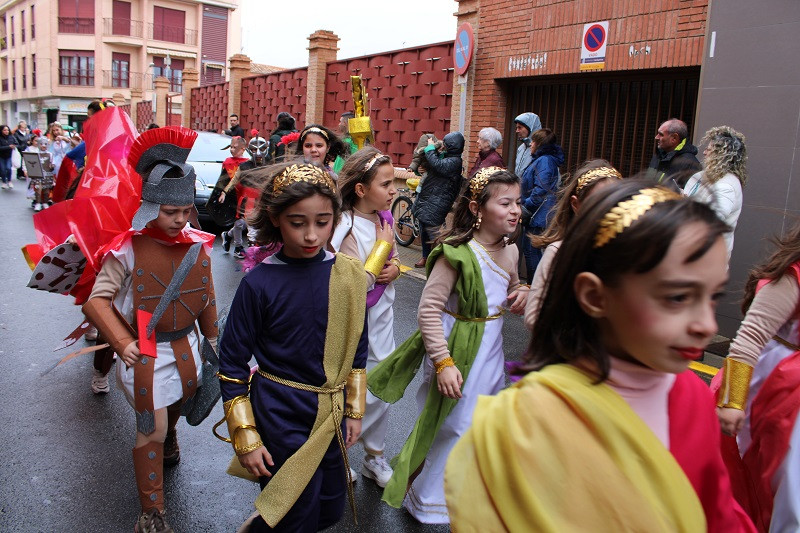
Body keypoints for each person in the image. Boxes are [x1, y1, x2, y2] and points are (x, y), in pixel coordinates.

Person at [444, 179, 755, 532]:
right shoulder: (527, 423)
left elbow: (719, 512)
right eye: (677, 298)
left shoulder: (692, 394)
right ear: (594, 296)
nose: (706, 324)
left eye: (713, 296)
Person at [367, 167, 527, 524]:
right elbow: (429, 309)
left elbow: (516, 284)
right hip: (454, 352)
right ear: (477, 207)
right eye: (505, 202)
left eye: (518, 202)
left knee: (474, 425)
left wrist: (522, 292)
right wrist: (443, 362)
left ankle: (454, 493)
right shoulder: (455, 253)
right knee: (448, 424)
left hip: (489, 353)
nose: (516, 210)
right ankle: (422, 496)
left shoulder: (512, 251)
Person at [216, 162, 368, 532]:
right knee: (295, 512)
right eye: (298, 223)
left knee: (330, 508)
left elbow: (356, 345)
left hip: (329, 410)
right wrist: (246, 436)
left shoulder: (347, 273)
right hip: (280, 410)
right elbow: (232, 363)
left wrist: (354, 409)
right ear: (276, 218)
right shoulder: (259, 284)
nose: (312, 235)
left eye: (323, 221)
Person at [82, 126, 218, 533]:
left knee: (175, 409)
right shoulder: (125, 248)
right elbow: (97, 300)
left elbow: (206, 295)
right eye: (169, 212)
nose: (179, 220)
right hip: (144, 349)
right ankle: (152, 512)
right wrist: (122, 342)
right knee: (151, 427)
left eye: (184, 212)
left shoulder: (199, 243)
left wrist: (212, 342)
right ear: (150, 205)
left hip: (188, 349)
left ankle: (170, 435)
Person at [713, 224, 800, 532]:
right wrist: (732, 402)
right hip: (775, 395)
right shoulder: (794, 276)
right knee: (784, 486)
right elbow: (749, 338)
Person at [330, 147, 400, 488]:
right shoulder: (344, 225)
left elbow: (395, 261)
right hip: (354, 324)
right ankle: (339, 454)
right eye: (385, 184)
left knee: (383, 383)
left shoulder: (384, 219)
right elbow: (353, 280)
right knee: (350, 387)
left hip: (383, 320)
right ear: (361, 190)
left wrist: (396, 269)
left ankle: (375, 455)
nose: (393, 191)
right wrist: (383, 249)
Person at [523, 160, 622, 332]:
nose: (607, 211)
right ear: (576, 204)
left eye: (616, 202)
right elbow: (533, 316)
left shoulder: (627, 252)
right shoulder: (559, 253)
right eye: (597, 203)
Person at [684, 125, 747, 259]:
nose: (705, 152)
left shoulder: (726, 186)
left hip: (706, 258)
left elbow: (710, 223)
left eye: (709, 149)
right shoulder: (705, 176)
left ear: (721, 155)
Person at [412, 132, 465, 268]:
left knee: (435, 233)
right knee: (424, 228)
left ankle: (443, 262)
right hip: (430, 198)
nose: (444, 146)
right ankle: (426, 257)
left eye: (447, 144)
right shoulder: (447, 157)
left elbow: (437, 164)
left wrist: (430, 147)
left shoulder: (455, 161)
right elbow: (432, 165)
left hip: (438, 201)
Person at [520, 127, 564, 282]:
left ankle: (534, 288)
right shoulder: (543, 159)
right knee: (532, 251)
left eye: (533, 141)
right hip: (538, 214)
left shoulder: (545, 160)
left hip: (538, 215)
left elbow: (541, 189)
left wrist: (526, 206)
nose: (531, 144)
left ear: (539, 144)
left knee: (532, 252)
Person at [216, 136, 255, 259]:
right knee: (238, 223)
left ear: (243, 149)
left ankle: (228, 235)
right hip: (232, 195)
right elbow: (224, 179)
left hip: (245, 196)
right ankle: (238, 246)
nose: (232, 150)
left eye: (235, 147)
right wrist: (223, 193)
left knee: (243, 223)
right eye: (231, 147)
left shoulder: (249, 163)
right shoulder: (227, 162)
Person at [648, 118, 702, 187]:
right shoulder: (658, 156)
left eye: (661, 134)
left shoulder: (690, 164)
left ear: (674, 138)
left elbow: (691, 195)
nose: (656, 137)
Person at [29, 136, 55, 211]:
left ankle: (45, 202)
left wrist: (52, 166)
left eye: (45, 144)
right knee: (38, 189)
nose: (43, 145)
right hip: (38, 174)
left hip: (47, 174)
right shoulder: (35, 154)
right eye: (41, 144)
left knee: (46, 190)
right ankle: (38, 203)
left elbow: (53, 163)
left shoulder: (50, 154)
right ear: (39, 144)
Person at [512, 112, 542, 177]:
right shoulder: (521, 148)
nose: (517, 131)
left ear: (531, 128)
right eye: (516, 128)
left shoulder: (542, 149)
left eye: (520, 127)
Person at [0, 124, 17, 189]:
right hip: (1, 156)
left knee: (9, 168)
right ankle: (4, 182)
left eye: (7, 130)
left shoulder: (11, 137)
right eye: (4, 130)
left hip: (9, 155)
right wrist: (8, 147)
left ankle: (9, 181)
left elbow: (17, 144)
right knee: (3, 170)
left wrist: (14, 146)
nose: (6, 131)